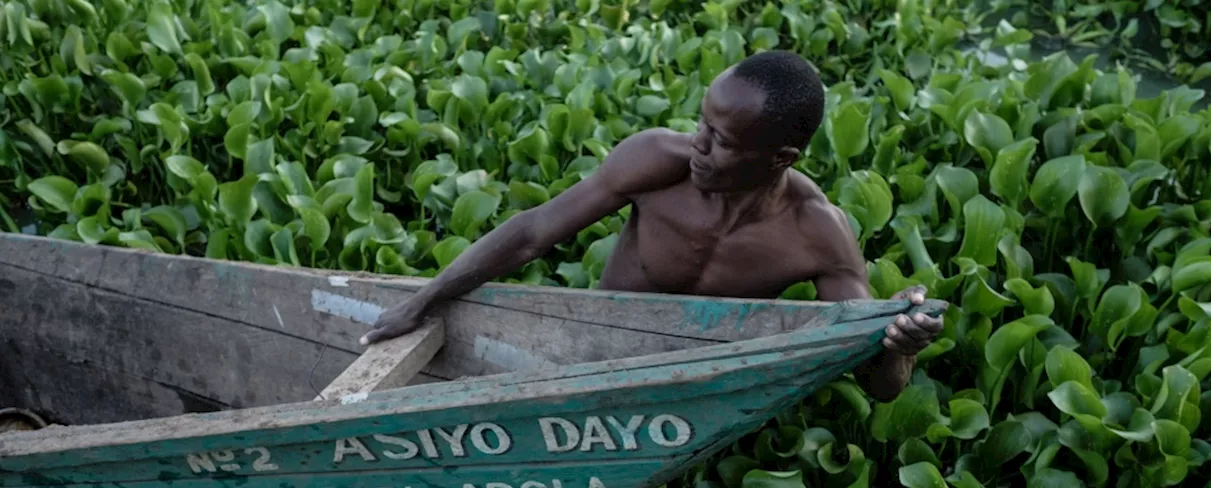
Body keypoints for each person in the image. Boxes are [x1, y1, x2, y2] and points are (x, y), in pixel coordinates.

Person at [361, 50, 943, 402]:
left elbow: (881, 385)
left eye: (722, 141)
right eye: (702, 124)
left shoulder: (817, 233)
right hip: (594, 354)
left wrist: (897, 345)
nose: (698, 145)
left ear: (781, 157)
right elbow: (535, 231)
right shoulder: (656, 161)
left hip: (703, 379)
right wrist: (426, 298)